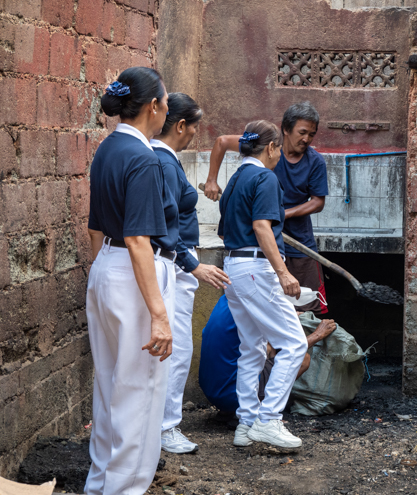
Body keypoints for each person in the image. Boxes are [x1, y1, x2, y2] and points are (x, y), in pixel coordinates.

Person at [85, 67, 177, 495]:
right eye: (165, 102)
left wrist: (105, 274)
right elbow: (140, 238)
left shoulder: (108, 148)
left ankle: (100, 485)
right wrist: (159, 314)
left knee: (109, 388)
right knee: (138, 396)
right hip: (134, 271)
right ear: (154, 106)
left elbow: (95, 227)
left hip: (108, 265)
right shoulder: (143, 157)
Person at [219, 120, 307, 449]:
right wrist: (283, 272)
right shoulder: (265, 177)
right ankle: (269, 420)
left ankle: (246, 423)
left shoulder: (235, 179)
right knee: (294, 344)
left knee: (251, 348)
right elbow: (261, 226)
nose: (279, 157)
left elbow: (227, 231)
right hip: (255, 266)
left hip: (233, 265)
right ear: (270, 147)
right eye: (278, 150)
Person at [150, 93, 230, 454]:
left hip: (175, 261)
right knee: (178, 348)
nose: (195, 134)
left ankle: (161, 425)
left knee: (175, 347)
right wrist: (192, 264)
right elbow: (164, 223)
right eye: (194, 127)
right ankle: (166, 427)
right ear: (180, 125)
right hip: (174, 263)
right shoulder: (164, 163)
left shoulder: (165, 160)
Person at [204, 102, 329, 315]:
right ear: (285, 131)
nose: (306, 139)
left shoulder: (314, 161)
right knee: (275, 313)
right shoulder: (260, 152)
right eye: (302, 132)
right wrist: (211, 180)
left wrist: (280, 215)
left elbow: (318, 201)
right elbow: (222, 141)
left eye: (312, 134)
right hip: (260, 251)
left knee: (307, 307)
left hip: (298, 241)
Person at [199, 295, 336, 430]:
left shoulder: (228, 299)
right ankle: (263, 414)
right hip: (231, 394)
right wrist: (318, 334)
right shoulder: (260, 301)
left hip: (212, 390)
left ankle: (229, 411)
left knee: (262, 346)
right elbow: (291, 349)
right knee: (302, 359)